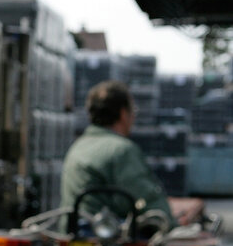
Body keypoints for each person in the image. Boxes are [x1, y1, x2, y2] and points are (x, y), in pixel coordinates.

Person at [60, 79, 201, 227]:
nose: (134, 117)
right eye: (133, 110)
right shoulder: (121, 150)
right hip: (106, 239)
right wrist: (172, 224)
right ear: (123, 113)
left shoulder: (78, 146)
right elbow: (146, 201)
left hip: (74, 233)